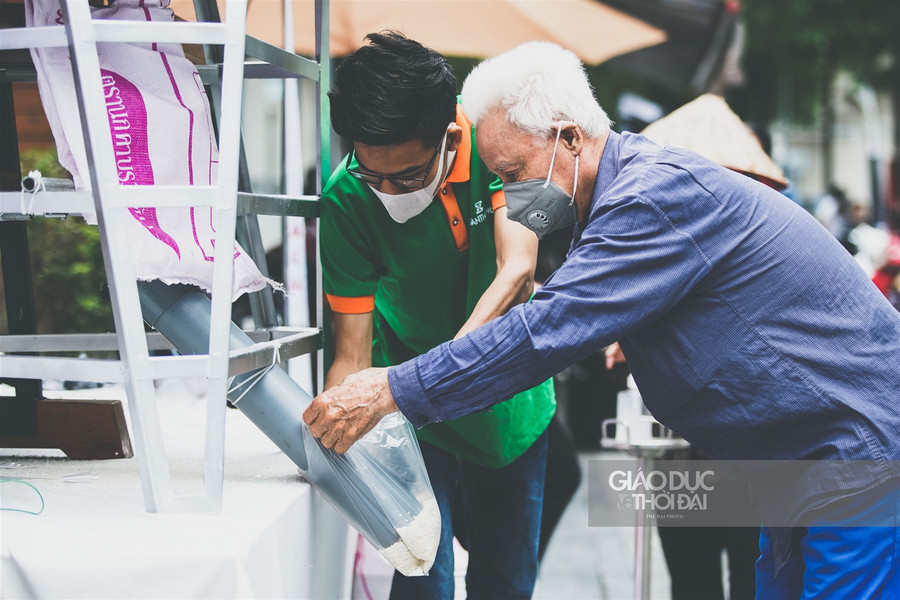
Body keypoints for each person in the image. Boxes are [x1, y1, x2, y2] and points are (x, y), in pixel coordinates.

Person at [305, 41, 900, 599]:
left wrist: (392, 387)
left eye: (512, 175)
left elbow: (541, 333)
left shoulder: (648, 200)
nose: (508, 198)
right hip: (794, 474)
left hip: (849, 460)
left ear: (567, 139)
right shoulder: (622, 202)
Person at [320, 32, 557, 599]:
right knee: (425, 580)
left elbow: (518, 271)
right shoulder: (346, 198)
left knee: (505, 582)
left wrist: (441, 372)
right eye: (369, 173)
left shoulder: (498, 146)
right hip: (411, 418)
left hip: (511, 409)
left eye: (403, 177)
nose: (385, 192)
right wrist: (336, 430)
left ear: (450, 135)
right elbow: (351, 356)